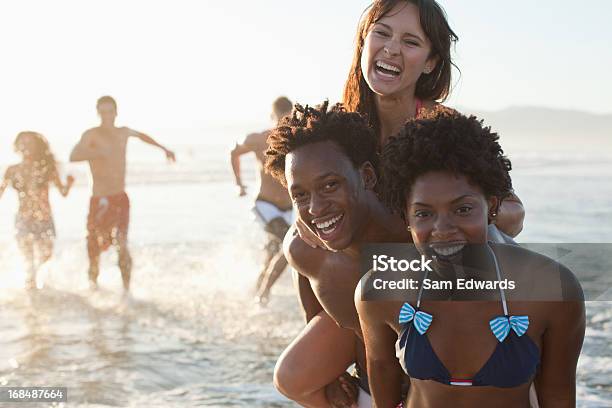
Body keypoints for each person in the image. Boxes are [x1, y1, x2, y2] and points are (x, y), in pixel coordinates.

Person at [355, 112, 585, 407]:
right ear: (407, 217)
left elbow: (557, 394)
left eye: (462, 209)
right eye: (424, 213)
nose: (443, 230)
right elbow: (382, 375)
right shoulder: (378, 289)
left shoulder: (553, 289)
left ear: (490, 207)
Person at [266, 101, 410, 407]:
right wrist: (331, 376)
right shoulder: (305, 251)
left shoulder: (409, 236)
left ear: (367, 176)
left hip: (441, 385)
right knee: (290, 377)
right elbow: (309, 290)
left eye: (330, 185)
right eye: (300, 195)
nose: (316, 209)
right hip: (375, 384)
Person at [69, 96, 175, 292]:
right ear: (97, 113)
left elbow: (142, 136)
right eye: (102, 112)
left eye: (110, 111)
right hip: (98, 199)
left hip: (119, 198)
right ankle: (93, 286)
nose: (106, 116)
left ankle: (126, 291)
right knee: (94, 248)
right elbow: (73, 155)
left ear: (116, 113)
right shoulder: (92, 135)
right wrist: (97, 153)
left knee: (122, 244)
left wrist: (163, 148)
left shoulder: (123, 132)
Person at [230, 96, 294, 304]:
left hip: (288, 208)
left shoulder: (297, 139)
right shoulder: (259, 139)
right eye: (279, 119)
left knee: (273, 252)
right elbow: (234, 152)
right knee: (287, 245)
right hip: (265, 206)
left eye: (288, 119)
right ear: (272, 117)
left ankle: (257, 287)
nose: (282, 124)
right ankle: (263, 293)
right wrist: (238, 183)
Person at [0, 131, 74, 288]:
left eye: (29, 143)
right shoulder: (12, 170)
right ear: (17, 147)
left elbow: (63, 193)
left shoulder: (47, 168)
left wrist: (69, 183)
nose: (26, 146)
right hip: (23, 218)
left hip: (44, 218)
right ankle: (31, 283)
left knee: (46, 255)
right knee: (28, 257)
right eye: (23, 143)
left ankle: (43, 284)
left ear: (37, 146)